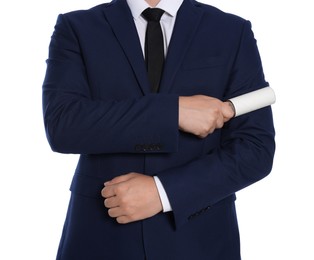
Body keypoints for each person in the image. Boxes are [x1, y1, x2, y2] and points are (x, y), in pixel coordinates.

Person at [42, 0, 275, 259]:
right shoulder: (76, 27)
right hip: (100, 239)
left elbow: (256, 149)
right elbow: (63, 125)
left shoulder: (231, 30)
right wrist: (173, 112)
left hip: (199, 242)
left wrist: (163, 192)